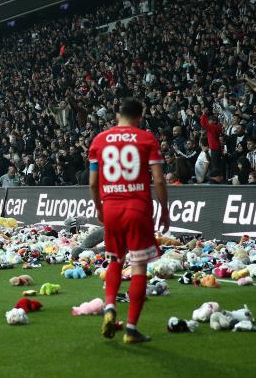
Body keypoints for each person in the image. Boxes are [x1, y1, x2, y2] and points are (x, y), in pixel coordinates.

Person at [88, 98, 169, 344]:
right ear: (139, 117)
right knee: (138, 267)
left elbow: (92, 183)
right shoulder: (146, 139)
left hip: (111, 207)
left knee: (114, 259)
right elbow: (159, 180)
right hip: (137, 208)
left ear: (117, 115)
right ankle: (132, 329)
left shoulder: (99, 140)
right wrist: (164, 209)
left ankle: (110, 306)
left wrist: (99, 207)